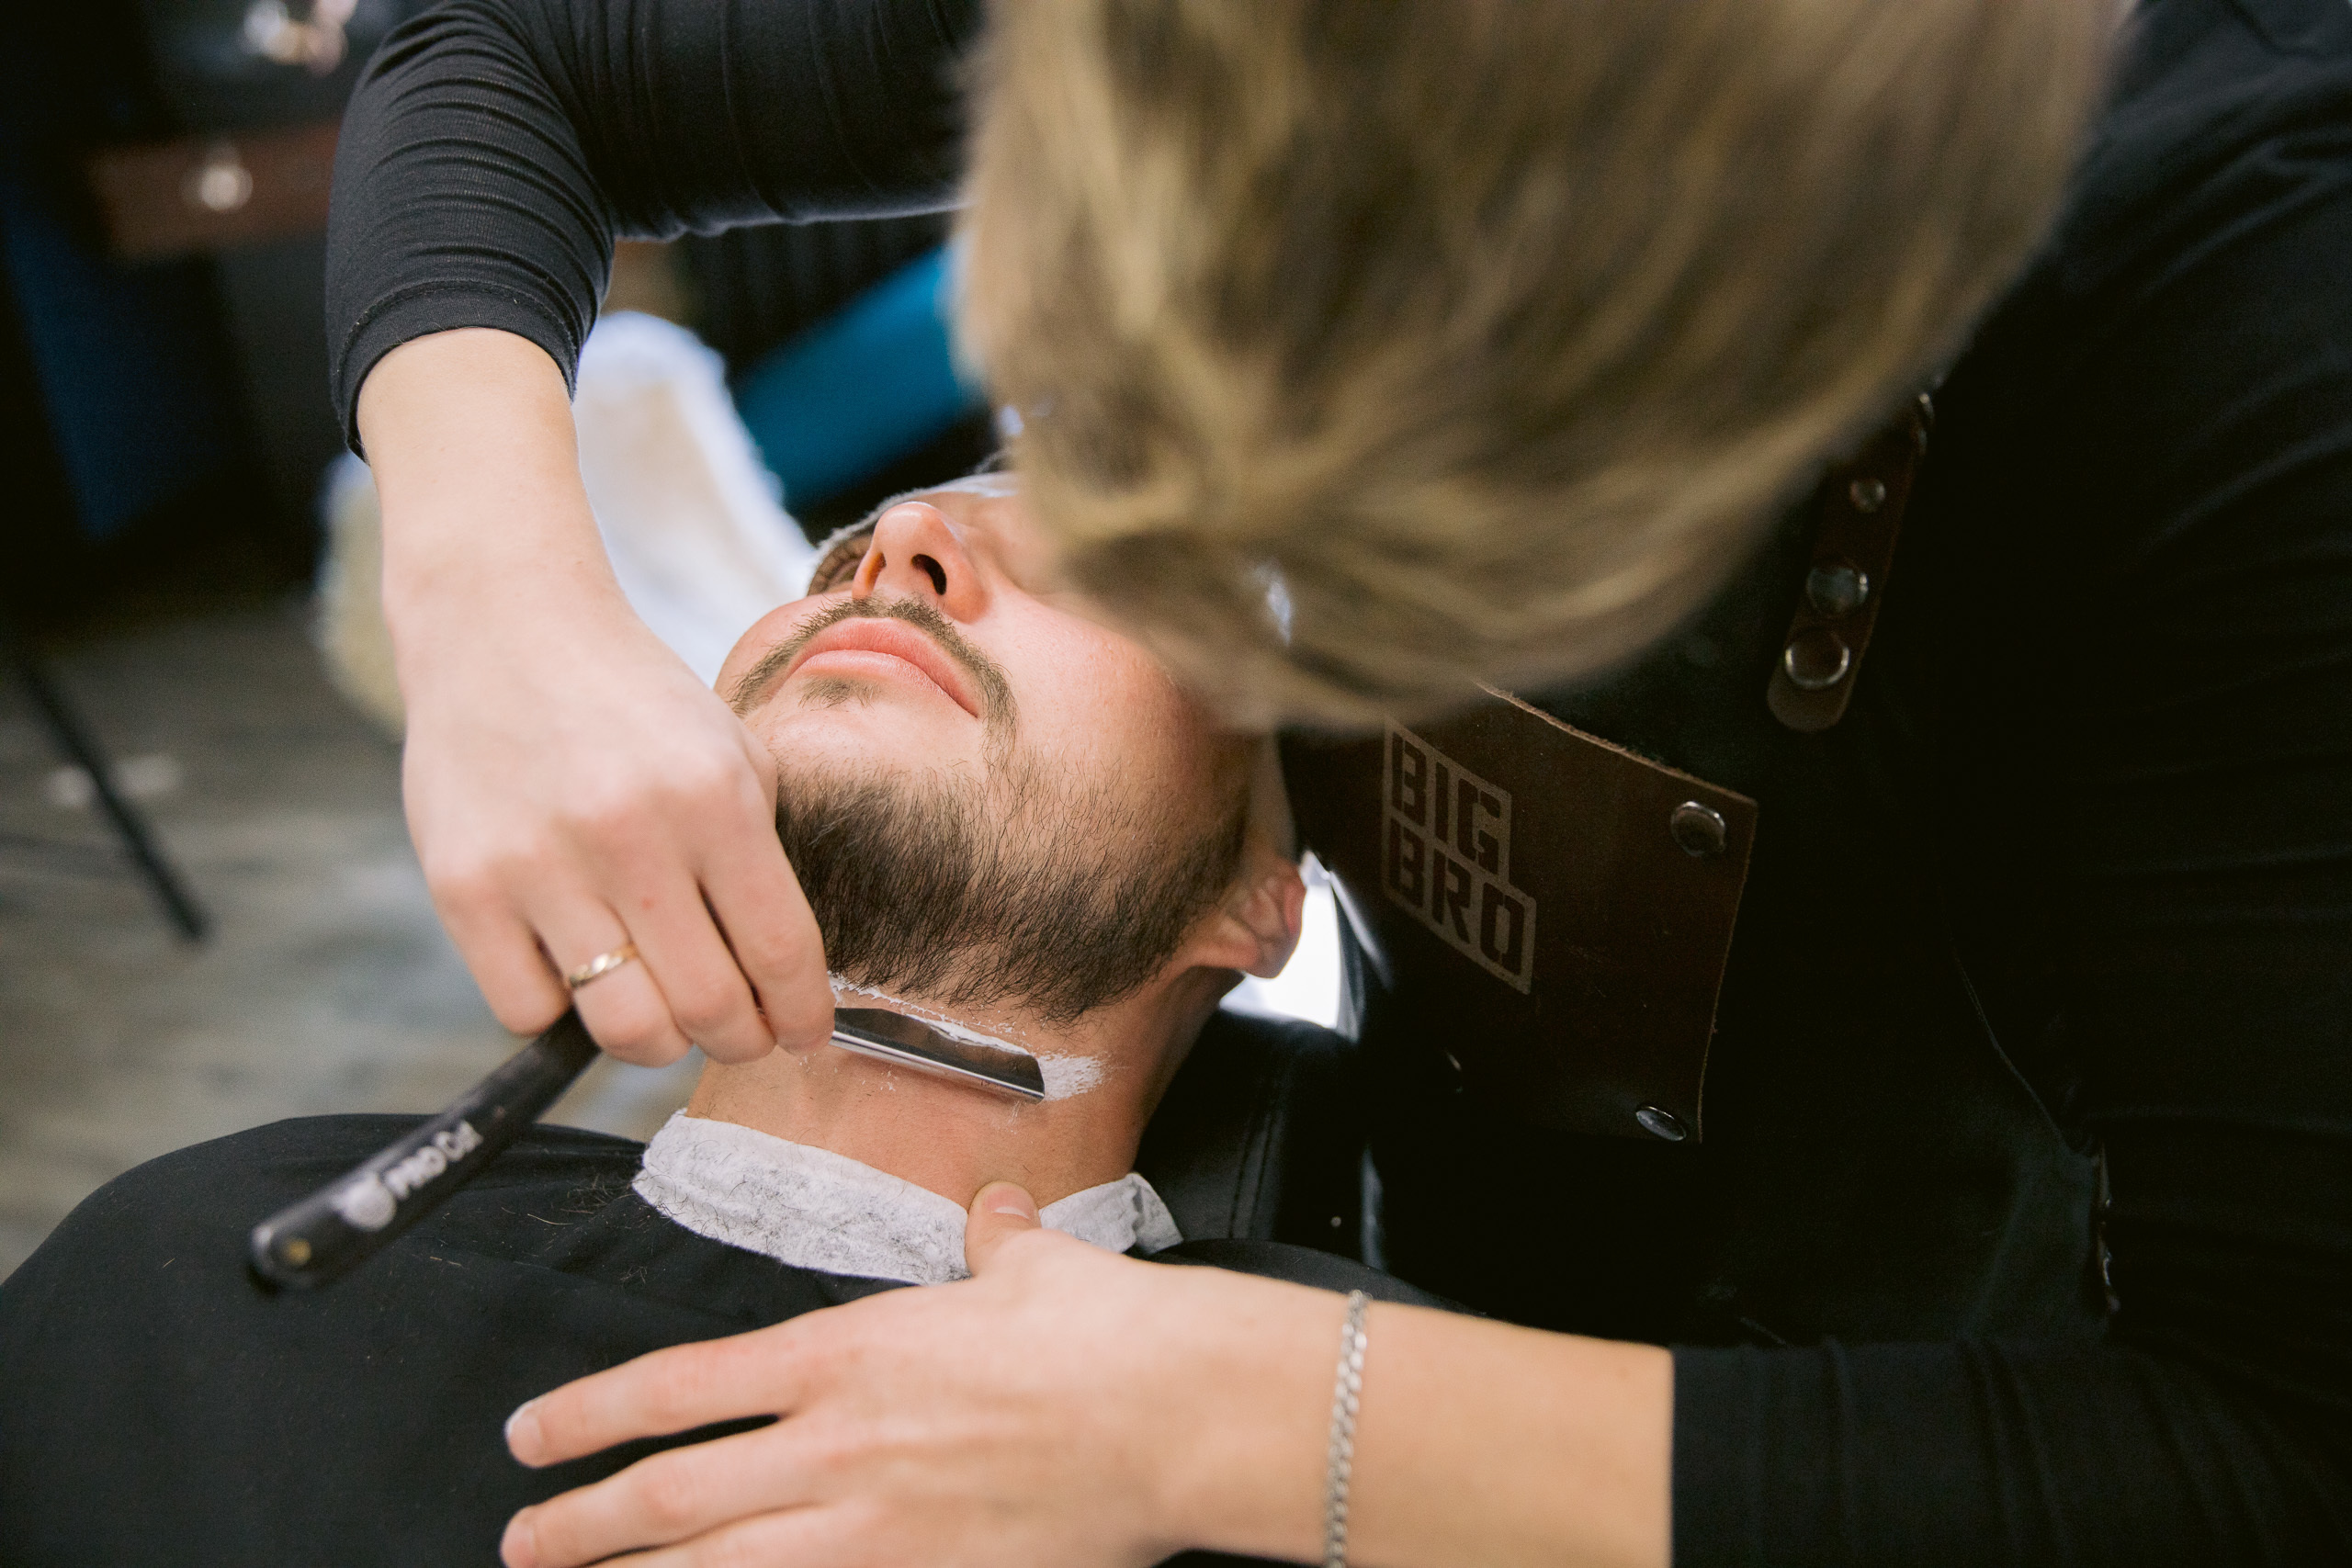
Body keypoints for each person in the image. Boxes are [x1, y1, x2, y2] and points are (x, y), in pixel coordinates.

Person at [324, 0, 2352, 1562]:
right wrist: (496, 592)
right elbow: (501, 50)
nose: (924, 527)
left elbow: (2274, 1444)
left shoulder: (2257, 322)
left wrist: (1234, 1414)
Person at [0, 481, 1448, 1565]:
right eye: (839, 563)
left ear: (1264, 900)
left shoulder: (1379, 1451)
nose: (901, 536)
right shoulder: (180, 1267)